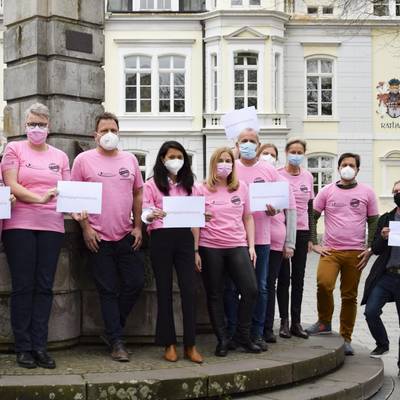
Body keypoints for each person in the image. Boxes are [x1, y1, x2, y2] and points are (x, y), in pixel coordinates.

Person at [71, 112, 144, 362]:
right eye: (104, 130)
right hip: (97, 237)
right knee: (108, 290)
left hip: (125, 233)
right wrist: (85, 228)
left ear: (118, 132)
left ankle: (111, 330)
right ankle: (116, 341)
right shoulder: (83, 160)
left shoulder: (130, 160)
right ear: (95, 135)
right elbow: (75, 198)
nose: (109, 134)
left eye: (113, 129)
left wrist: (138, 227)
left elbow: (137, 194)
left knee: (136, 282)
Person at [1, 103, 70, 369]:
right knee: (23, 286)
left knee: (44, 287)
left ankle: (40, 346)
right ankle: (23, 347)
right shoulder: (14, 149)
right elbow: (12, 185)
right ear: (25, 125)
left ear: (49, 127)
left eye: (41, 124)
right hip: (20, 224)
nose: (36, 128)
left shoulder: (60, 156)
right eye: (32, 124)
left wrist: (79, 209)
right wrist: (40, 197)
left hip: (52, 226)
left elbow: (67, 189)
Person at [225, 128, 296, 351]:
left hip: (263, 238)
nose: (247, 144)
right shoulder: (231, 168)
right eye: (243, 140)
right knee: (231, 287)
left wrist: (275, 209)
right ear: (236, 144)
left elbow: (282, 202)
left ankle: (256, 332)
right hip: (234, 238)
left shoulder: (269, 170)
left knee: (261, 287)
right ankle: (234, 331)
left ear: (258, 144)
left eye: (251, 141)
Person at [307, 153, 379, 356]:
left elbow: (374, 220)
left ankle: (346, 337)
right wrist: (314, 242)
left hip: (355, 252)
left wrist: (370, 248)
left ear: (357, 169)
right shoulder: (326, 191)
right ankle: (324, 322)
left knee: (349, 295)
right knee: (324, 283)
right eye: (344, 164)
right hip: (331, 251)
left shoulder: (367, 192)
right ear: (338, 168)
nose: (348, 167)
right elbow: (312, 215)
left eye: (352, 165)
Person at [193, 147, 259, 356]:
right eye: (220, 160)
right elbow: (194, 221)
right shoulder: (200, 188)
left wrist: (251, 246)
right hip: (210, 246)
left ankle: (243, 336)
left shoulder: (241, 187)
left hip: (237, 245)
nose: (225, 164)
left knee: (251, 290)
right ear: (213, 164)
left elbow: (248, 218)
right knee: (215, 294)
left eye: (228, 160)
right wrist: (195, 250)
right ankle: (222, 340)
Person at [142, 141, 203, 364]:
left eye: (180, 156)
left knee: (189, 290)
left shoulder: (191, 186)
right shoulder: (152, 185)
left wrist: (196, 248)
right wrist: (152, 215)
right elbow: (144, 213)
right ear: (162, 159)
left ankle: (190, 344)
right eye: (171, 156)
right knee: (164, 290)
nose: (175, 160)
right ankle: (168, 343)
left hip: (185, 239)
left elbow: (197, 219)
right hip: (161, 238)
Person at [256, 144, 296, 343]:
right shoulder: (251, 178)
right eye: (265, 153)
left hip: (275, 242)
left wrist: (290, 243)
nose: (268, 157)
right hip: (252, 238)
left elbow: (292, 213)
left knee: (268, 284)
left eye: (272, 155)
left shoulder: (283, 183)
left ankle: (267, 327)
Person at [277, 139, 314, 339]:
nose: (296, 155)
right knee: (283, 278)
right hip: (282, 231)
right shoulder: (277, 175)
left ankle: (296, 322)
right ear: (286, 152)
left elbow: (310, 208)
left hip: (302, 232)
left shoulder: (307, 177)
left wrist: (311, 238)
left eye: (300, 152)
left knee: (298, 278)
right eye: (293, 151)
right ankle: (284, 321)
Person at [362, 180, 400, 375]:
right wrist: (383, 237)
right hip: (386, 275)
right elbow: (375, 249)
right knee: (371, 311)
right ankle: (382, 343)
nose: (397, 193)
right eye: (395, 191)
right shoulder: (386, 218)